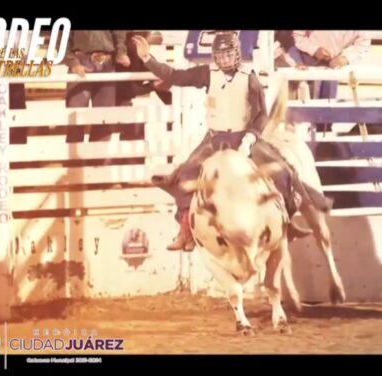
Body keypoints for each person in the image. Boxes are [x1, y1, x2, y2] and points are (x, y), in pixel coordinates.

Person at [133, 31, 331, 251]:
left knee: (282, 171)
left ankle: (286, 222)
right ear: (215, 56)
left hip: (244, 136)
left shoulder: (249, 77)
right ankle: (185, 230)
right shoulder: (207, 74)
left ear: (236, 54)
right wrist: (146, 58)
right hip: (214, 138)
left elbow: (261, 115)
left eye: (228, 55)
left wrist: (250, 137)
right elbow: (175, 76)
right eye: (221, 55)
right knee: (185, 175)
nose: (225, 59)